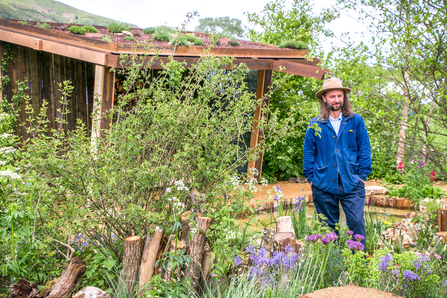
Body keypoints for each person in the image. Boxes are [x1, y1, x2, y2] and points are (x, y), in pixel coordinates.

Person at [302, 77, 372, 248]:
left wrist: (362, 176)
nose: (336, 100)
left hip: (352, 183)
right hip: (324, 184)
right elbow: (308, 153)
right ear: (324, 98)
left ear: (344, 98)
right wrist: (311, 179)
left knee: (356, 222)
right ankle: (332, 268)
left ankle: (359, 265)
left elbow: (364, 149)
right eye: (332, 96)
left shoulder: (355, 121)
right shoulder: (315, 124)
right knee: (328, 230)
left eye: (339, 96)